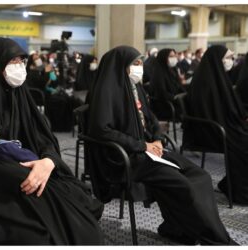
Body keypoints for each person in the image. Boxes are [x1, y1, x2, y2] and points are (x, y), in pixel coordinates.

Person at [0, 37, 104, 245]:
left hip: (30, 170)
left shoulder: (19, 95)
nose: (19, 67)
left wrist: (48, 162)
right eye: (12, 62)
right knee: (38, 232)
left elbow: (44, 138)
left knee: (77, 200)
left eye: (21, 61)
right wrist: (25, 173)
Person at [86, 45, 237, 245]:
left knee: (200, 175)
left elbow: (151, 119)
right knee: (182, 184)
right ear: (121, 66)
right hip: (123, 158)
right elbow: (102, 131)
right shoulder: (107, 91)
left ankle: (176, 228)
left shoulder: (135, 87)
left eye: (141, 63)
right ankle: (214, 240)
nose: (140, 68)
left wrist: (156, 138)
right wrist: (142, 146)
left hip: (147, 150)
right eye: (135, 64)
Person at [187, 45, 248, 205]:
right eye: (227, 58)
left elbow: (230, 107)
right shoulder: (204, 82)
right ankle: (238, 191)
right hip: (209, 129)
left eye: (231, 58)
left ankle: (230, 183)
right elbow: (207, 113)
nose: (231, 62)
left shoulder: (219, 77)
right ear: (217, 60)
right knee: (243, 144)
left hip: (224, 125)